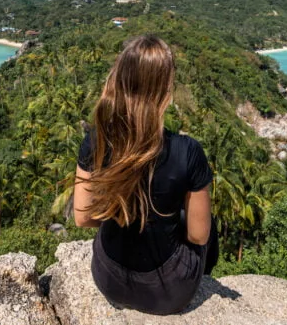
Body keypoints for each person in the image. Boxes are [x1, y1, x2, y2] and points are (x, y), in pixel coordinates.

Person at [73, 34, 219, 316]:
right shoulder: (187, 151)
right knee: (205, 221)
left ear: (119, 79)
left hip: (109, 280)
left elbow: (83, 217)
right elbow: (199, 236)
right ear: (165, 88)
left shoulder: (96, 141)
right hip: (169, 293)